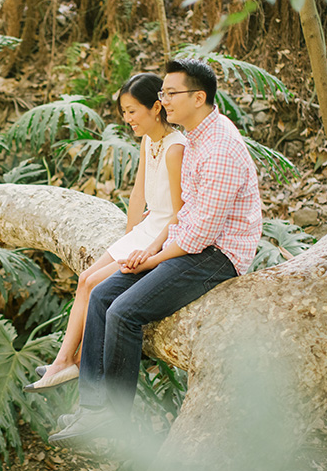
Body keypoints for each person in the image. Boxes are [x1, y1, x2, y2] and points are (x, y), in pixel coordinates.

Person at [48, 58, 263, 445]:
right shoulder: (197, 136)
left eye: (170, 93)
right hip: (186, 242)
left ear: (199, 97)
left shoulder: (220, 148)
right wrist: (147, 246)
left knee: (125, 312)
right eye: (161, 93)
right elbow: (182, 215)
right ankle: (92, 408)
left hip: (217, 255)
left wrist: (150, 258)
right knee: (100, 295)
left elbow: (199, 236)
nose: (163, 100)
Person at [24, 73, 187, 392]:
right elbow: (138, 196)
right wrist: (127, 240)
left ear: (156, 108)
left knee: (94, 284)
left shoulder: (176, 148)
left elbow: (181, 212)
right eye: (123, 113)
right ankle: (65, 360)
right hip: (145, 230)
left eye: (132, 111)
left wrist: (147, 251)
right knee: (85, 278)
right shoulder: (148, 142)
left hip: (164, 236)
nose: (127, 120)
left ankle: (70, 362)